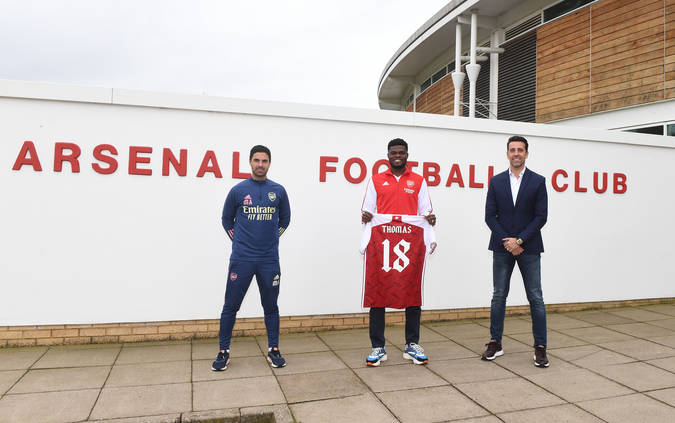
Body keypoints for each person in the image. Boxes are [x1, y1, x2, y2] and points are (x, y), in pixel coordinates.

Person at [212, 145, 290, 371]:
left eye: (264, 161)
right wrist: (239, 242)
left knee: (271, 307)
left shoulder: (279, 191)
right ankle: (223, 352)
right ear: (250, 162)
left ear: (269, 163)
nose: (260, 164)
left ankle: (273, 350)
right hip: (242, 259)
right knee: (230, 306)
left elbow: (285, 220)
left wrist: (271, 240)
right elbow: (227, 220)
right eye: (256, 160)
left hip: (268, 260)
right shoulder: (238, 190)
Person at [361, 138, 436, 367]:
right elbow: (368, 210)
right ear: (387, 155)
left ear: (407, 155)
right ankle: (378, 346)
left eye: (401, 152)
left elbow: (426, 211)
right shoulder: (375, 181)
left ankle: (411, 345)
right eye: (394, 152)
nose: (397, 156)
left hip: (409, 246)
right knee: (378, 293)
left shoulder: (419, 181)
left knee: (412, 292)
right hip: (382, 246)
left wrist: (430, 220)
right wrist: (366, 217)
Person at [482, 135, 549, 367]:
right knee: (498, 296)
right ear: (507, 153)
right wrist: (508, 241)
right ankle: (495, 342)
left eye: (521, 150)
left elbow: (541, 217)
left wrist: (520, 240)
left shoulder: (538, 181)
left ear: (527, 153)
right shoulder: (496, 181)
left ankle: (540, 347)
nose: (517, 153)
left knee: (536, 298)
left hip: (529, 248)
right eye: (513, 150)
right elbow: (490, 216)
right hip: (502, 248)